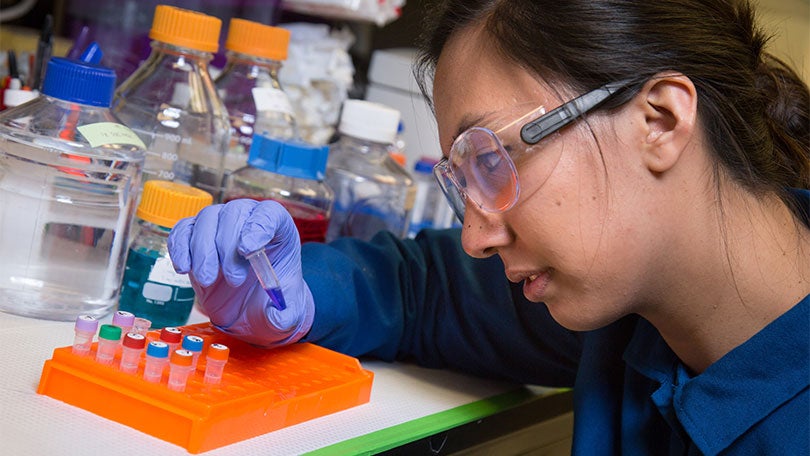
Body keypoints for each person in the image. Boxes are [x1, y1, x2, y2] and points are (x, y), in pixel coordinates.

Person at [167, 0, 809, 453]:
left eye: (494, 160)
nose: (476, 236)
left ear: (660, 121)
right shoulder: (631, 311)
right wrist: (290, 288)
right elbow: (423, 290)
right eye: (462, 180)